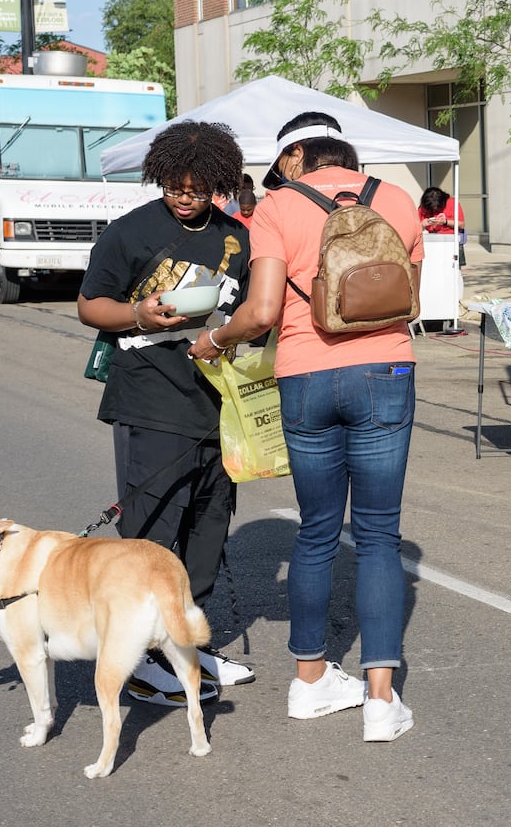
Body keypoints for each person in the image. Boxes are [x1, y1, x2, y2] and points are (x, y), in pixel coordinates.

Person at [191, 113, 423, 743]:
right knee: (378, 536)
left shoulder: (276, 208)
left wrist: (213, 339)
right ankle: (380, 700)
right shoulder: (397, 199)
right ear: (348, 156)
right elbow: (410, 293)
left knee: (318, 531)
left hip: (304, 375)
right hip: (384, 371)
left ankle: (310, 681)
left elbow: (263, 311)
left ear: (297, 158)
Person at [77, 120, 256, 705]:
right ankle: (135, 657)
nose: (184, 197)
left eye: (197, 189)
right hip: (149, 396)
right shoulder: (130, 232)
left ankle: (184, 640)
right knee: (151, 530)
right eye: (174, 186)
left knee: (209, 521)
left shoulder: (236, 236)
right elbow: (89, 306)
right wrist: (138, 315)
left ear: (219, 185)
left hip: (215, 400)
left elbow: (256, 307)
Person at [419, 185, 466, 269]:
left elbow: (461, 224)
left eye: (437, 207)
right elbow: (416, 228)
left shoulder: (452, 203)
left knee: (452, 269)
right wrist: (422, 225)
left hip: (451, 241)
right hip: (432, 242)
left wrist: (445, 222)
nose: (435, 209)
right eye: (432, 208)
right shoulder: (423, 208)